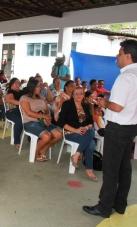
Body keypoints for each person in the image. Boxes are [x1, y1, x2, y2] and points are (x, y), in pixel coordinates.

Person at [83, 40, 137, 218]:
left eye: (120, 52)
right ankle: (120, 204)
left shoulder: (126, 77)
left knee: (111, 169)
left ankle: (104, 207)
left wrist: (104, 102)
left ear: (128, 56)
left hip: (118, 128)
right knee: (124, 168)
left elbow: (118, 106)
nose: (117, 55)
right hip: (131, 128)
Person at [58, 86, 97, 181]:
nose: (78, 95)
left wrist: (86, 127)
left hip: (85, 132)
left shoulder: (86, 105)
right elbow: (61, 122)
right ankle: (89, 169)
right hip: (70, 132)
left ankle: (76, 155)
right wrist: (76, 130)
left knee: (91, 131)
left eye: (81, 93)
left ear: (84, 95)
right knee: (91, 143)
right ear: (73, 95)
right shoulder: (67, 104)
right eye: (76, 93)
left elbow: (91, 123)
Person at [20, 79, 62, 161]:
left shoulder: (41, 96)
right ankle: (35, 153)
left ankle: (43, 150)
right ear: (32, 87)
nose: (40, 88)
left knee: (59, 134)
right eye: (38, 86)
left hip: (42, 121)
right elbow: (29, 113)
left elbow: (46, 109)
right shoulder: (24, 98)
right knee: (46, 137)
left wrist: (48, 117)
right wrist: (45, 116)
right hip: (30, 122)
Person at [5, 78, 25, 149]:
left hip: (22, 110)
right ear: (11, 85)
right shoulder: (10, 92)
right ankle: (17, 142)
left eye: (18, 83)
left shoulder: (22, 92)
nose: (18, 84)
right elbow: (9, 100)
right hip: (12, 111)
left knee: (31, 117)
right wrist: (22, 104)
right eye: (16, 83)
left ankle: (31, 138)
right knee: (19, 121)